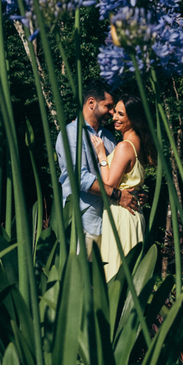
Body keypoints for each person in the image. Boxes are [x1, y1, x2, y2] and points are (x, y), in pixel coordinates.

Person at [53, 81, 140, 257]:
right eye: (108, 106)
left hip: (109, 224)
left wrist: (133, 194)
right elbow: (80, 178)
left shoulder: (108, 137)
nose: (111, 112)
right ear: (91, 103)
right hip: (83, 223)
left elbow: (119, 176)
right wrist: (117, 195)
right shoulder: (71, 134)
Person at [94, 94, 156, 280]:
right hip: (134, 214)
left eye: (121, 114)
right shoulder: (140, 144)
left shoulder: (124, 146)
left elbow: (109, 184)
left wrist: (101, 156)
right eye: (115, 113)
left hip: (120, 214)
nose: (115, 117)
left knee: (115, 270)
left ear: (133, 118)